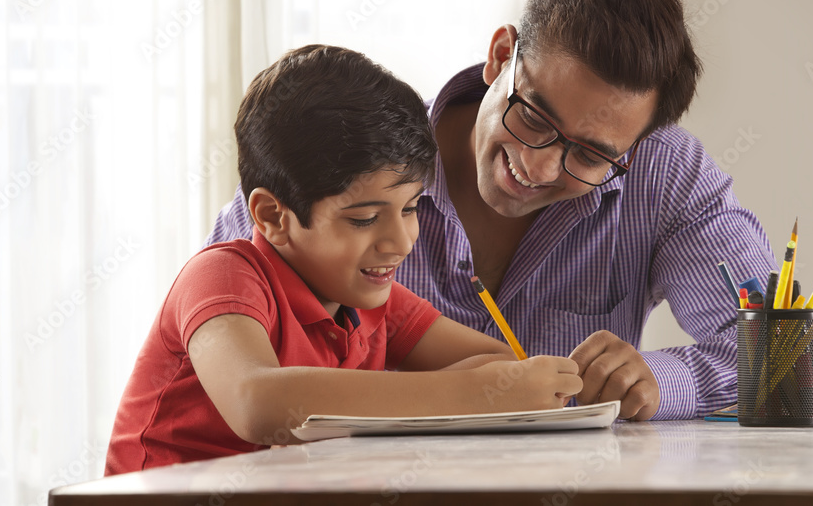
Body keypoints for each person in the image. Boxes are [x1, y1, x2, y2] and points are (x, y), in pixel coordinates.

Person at [206, 0, 777, 422]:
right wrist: (471, 395)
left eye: (590, 154)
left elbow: (779, 360)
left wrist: (657, 381)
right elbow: (235, 379)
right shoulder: (337, 156)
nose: (538, 165)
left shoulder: (663, 173)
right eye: (533, 116)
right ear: (502, 55)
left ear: (630, 151)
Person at [104, 45, 581, 475]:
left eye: (412, 208)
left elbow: (495, 361)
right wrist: (475, 395)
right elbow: (257, 403)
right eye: (365, 218)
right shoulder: (221, 276)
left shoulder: (376, 304)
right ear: (273, 215)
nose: (400, 241)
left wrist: (497, 386)